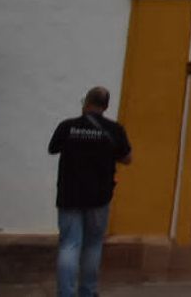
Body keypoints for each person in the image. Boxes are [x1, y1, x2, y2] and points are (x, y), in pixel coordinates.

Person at [48, 86, 132, 297]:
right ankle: (88, 291)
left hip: (69, 194)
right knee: (93, 245)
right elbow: (127, 158)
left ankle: (65, 293)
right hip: (99, 196)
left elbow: (53, 148)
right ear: (106, 106)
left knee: (69, 245)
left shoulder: (68, 126)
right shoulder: (114, 129)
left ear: (86, 102)